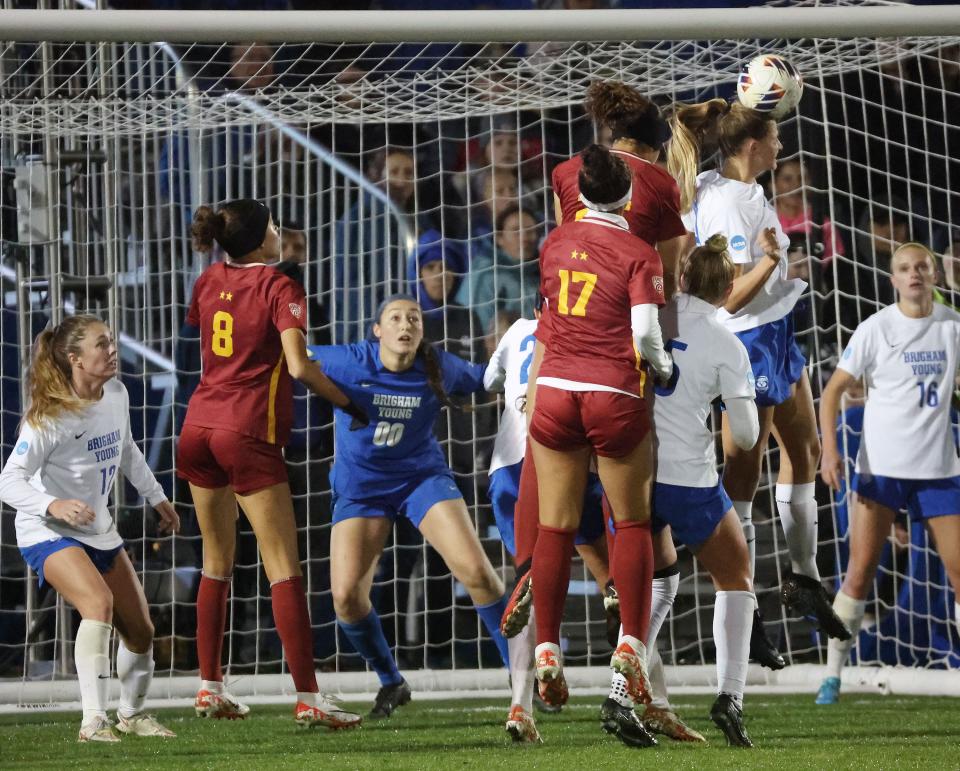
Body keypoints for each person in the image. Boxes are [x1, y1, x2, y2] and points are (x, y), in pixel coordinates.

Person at [669, 99, 851, 668]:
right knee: (744, 471)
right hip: (745, 343)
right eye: (774, 137)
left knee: (806, 450)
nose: (781, 147)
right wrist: (771, 265)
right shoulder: (728, 202)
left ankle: (803, 579)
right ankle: (743, 600)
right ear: (753, 146)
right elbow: (724, 295)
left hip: (776, 332)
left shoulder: (728, 185)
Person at [177, 198, 365, 729]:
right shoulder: (281, 286)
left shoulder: (209, 278)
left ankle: (210, 686)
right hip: (247, 429)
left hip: (197, 427)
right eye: (275, 226)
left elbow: (206, 345)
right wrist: (350, 403)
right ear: (261, 240)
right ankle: (308, 696)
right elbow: (301, 367)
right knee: (282, 567)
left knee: (217, 561)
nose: (281, 232)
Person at [527, 144, 671, 747]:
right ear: (630, 197)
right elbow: (644, 333)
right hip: (612, 391)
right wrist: (660, 369)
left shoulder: (554, 243)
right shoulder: (639, 252)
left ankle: (547, 648)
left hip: (555, 390)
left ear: (580, 193)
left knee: (554, 528)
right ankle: (631, 643)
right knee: (632, 522)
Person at [306, 295, 511, 720]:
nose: (406, 324)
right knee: (345, 598)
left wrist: (523, 358)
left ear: (421, 330)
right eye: (395, 318)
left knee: (478, 574)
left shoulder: (438, 365)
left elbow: (487, 380)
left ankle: (524, 675)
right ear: (377, 331)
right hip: (362, 489)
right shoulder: (349, 361)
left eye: (413, 318)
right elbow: (295, 357)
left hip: (421, 480)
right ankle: (390, 680)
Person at [0, 315, 180, 742]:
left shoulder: (116, 392)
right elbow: (8, 480)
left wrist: (156, 496)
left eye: (112, 342)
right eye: (102, 344)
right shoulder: (48, 417)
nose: (112, 350)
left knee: (140, 632)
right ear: (75, 358)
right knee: (97, 604)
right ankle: (93, 721)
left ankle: (131, 715)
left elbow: (128, 448)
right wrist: (53, 503)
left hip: (98, 529)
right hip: (47, 530)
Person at [815, 242, 960, 705]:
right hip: (881, 470)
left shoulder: (953, 327)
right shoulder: (876, 328)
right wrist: (830, 453)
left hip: (938, 469)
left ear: (935, 275)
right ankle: (832, 676)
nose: (914, 274)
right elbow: (831, 392)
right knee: (859, 574)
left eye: (921, 267)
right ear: (893, 279)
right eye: (904, 268)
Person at [640, 234, 762, 746]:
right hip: (689, 479)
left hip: (635, 477)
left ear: (682, 278)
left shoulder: (653, 317)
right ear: (730, 286)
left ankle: (625, 688)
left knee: (654, 580)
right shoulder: (727, 342)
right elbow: (750, 435)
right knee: (736, 578)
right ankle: (730, 696)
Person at [482, 296, 611, 745]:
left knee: (528, 586)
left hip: (508, 470)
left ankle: (521, 702)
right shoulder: (590, 332)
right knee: (618, 579)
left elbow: (487, 379)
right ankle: (643, 696)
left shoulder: (517, 330)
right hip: (565, 463)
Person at [552, 80, 686, 293]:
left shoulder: (563, 172)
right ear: (654, 147)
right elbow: (668, 271)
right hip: (621, 303)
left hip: (566, 298)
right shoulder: (661, 183)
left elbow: (563, 236)